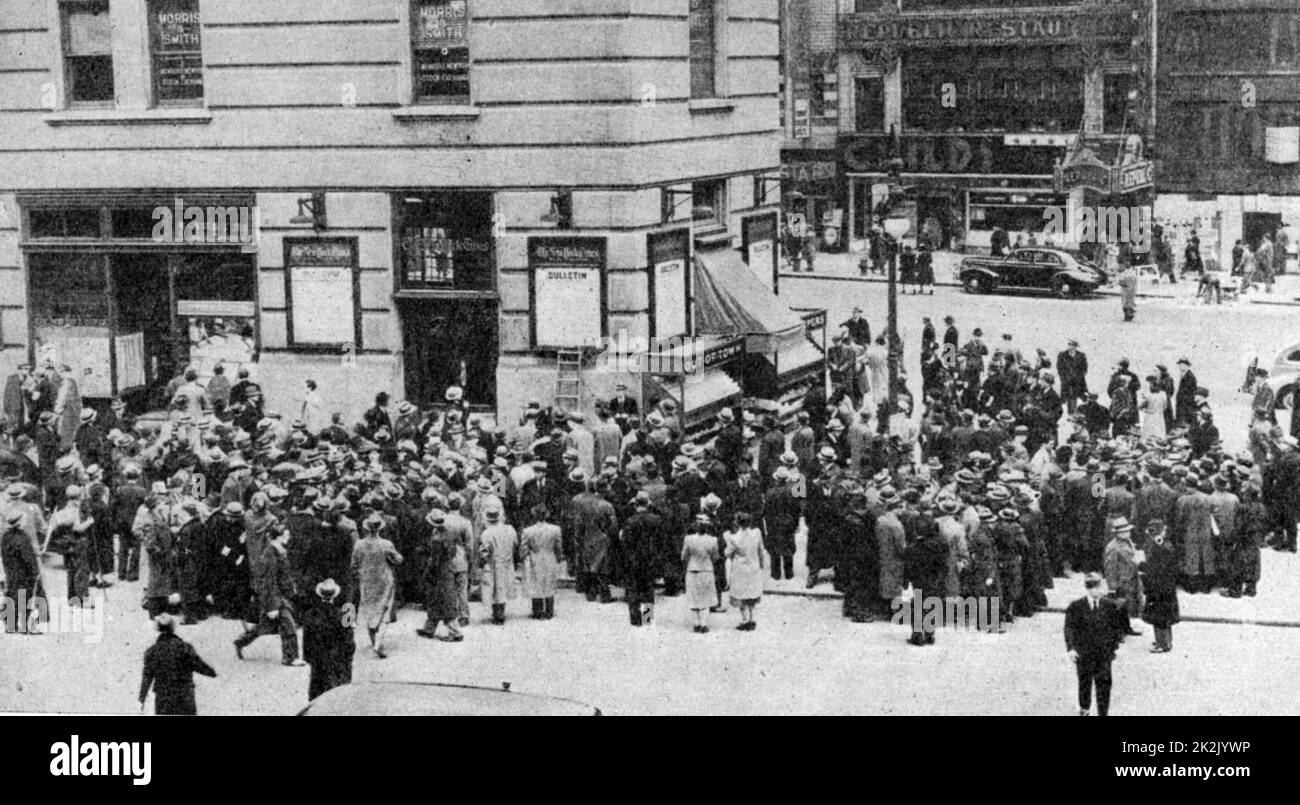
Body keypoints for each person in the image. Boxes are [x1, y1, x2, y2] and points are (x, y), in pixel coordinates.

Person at [235, 527, 304, 666]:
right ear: (278, 537)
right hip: (276, 597)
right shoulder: (270, 554)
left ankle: (241, 641)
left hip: (281, 596)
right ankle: (290, 658)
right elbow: (268, 582)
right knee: (289, 625)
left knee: (265, 626)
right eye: (286, 535)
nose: (288, 537)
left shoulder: (277, 551)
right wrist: (272, 606)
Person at [1063, 572, 1127, 716]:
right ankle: (1084, 708)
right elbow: (1069, 629)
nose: (1098, 590)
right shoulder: (1076, 606)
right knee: (1084, 682)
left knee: (1104, 684)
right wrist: (1071, 648)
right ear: (1088, 589)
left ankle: (1103, 712)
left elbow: (1117, 628)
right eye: (1094, 587)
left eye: (1099, 587)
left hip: (1104, 654)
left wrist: (1114, 647)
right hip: (1083, 653)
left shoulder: (1109, 606)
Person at [138, 613, 217, 715]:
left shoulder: (152, 652)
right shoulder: (184, 647)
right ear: (172, 627)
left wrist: (142, 699)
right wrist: (213, 673)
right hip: (184, 694)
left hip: (164, 697)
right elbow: (199, 665)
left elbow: (147, 677)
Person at [352, 513, 403, 658]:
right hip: (384, 579)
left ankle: (373, 639)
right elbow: (397, 559)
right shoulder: (386, 544)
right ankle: (378, 642)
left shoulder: (359, 544)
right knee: (385, 609)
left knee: (370, 608)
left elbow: (353, 563)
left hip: (366, 579)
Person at [300, 578, 356, 701]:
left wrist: (309, 658)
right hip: (337, 659)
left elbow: (306, 640)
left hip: (318, 660)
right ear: (334, 596)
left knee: (317, 692)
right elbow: (349, 642)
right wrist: (347, 660)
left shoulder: (310, 614)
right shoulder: (344, 614)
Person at [417, 508, 464, 642]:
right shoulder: (449, 532)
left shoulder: (437, 538)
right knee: (439, 599)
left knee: (442, 599)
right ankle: (429, 628)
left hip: (439, 572)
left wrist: (427, 572)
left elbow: (434, 560)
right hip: (447, 568)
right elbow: (453, 551)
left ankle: (455, 632)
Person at [620, 492, 661, 626]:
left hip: (634, 560)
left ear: (635, 504)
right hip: (650, 560)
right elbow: (661, 542)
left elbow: (625, 543)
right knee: (649, 589)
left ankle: (635, 619)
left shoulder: (630, 521)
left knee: (633, 589)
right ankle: (648, 618)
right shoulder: (656, 520)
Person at [1139, 519, 1180, 653]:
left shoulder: (1157, 546)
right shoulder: (1166, 544)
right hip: (1167, 586)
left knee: (1158, 617)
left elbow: (1154, 568)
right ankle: (1166, 642)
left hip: (1157, 587)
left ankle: (1161, 644)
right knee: (1165, 617)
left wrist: (1142, 568)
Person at [477, 504, 519, 625]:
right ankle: (501, 611)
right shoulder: (510, 529)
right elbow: (515, 543)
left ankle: (497, 614)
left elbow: (484, 551)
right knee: (503, 586)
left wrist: (482, 562)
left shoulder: (487, 533)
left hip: (494, 562)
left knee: (494, 587)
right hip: (507, 561)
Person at [1102, 518, 1143, 637]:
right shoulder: (1113, 548)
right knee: (1119, 608)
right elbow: (1110, 569)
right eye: (1125, 531)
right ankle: (1117, 633)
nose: (1128, 533)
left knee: (1129, 607)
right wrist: (1112, 587)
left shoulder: (1127, 542)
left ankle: (1126, 627)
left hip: (1131, 580)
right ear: (1118, 533)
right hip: (1121, 582)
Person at [520, 504, 562, 620]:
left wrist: (524, 558)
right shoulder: (555, 529)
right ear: (547, 515)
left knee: (536, 584)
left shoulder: (527, 531)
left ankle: (537, 610)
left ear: (534, 515)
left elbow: (523, 549)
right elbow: (558, 547)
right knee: (549, 583)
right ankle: (549, 610)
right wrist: (558, 557)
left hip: (535, 558)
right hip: (550, 557)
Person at [724, 512, 764, 631]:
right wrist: (761, 564)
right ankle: (752, 619)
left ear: (738, 523)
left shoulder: (734, 538)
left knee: (741, 595)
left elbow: (727, 553)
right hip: (753, 567)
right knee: (752, 594)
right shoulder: (757, 533)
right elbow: (761, 550)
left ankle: (744, 619)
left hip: (740, 569)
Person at [682, 514, 720, 633]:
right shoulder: (713, 540)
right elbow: (716, 557)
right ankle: (703, 623)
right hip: (706, 569)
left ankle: (644, 622)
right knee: (705, 597)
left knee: (694, 597)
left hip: (693, 569)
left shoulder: (688, 539)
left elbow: (684, 556)